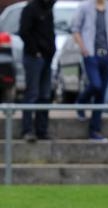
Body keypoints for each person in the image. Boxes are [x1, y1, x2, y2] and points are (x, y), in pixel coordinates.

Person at [72, 0, 108, 141]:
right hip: (91, 54)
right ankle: (80, 102)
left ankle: (95, 130)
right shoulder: (84, 7)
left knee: (102, 94)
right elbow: (75, 29)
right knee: (95, 84)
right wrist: (83, 48)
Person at [19, 0, 56, 142]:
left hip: (47, 58)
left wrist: (51, 52)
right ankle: (27, 130)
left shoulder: (49, 9)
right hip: (34, 58)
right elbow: (24, 32)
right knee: (32, 93)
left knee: (45, 95)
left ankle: (42, 130)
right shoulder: (30, 9)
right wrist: (35, 52)